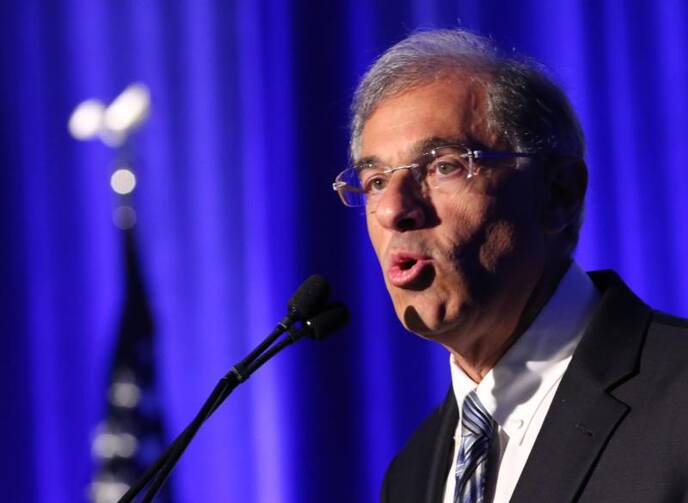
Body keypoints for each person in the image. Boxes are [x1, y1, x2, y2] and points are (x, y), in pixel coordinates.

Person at [332, 29, 688, 503]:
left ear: (557, 194)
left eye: (444, 166)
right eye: (375, 181)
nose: (394, 209)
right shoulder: (412, 474)